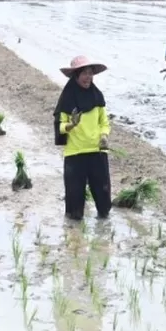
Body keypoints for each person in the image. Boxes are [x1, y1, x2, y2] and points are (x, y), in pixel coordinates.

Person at [53, 55, 112, 221]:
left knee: (103, 198)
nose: (88, 77)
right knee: (74, 204)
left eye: (91, 73)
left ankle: (104, 228)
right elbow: (60, 126)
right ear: (76, 76)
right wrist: (71, 125)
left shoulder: (97, 97)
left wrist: (104, 136)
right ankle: (73, 235)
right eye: (84, 73)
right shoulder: (67, 100)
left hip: (97, 151)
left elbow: (104, 122)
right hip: (75, 153)